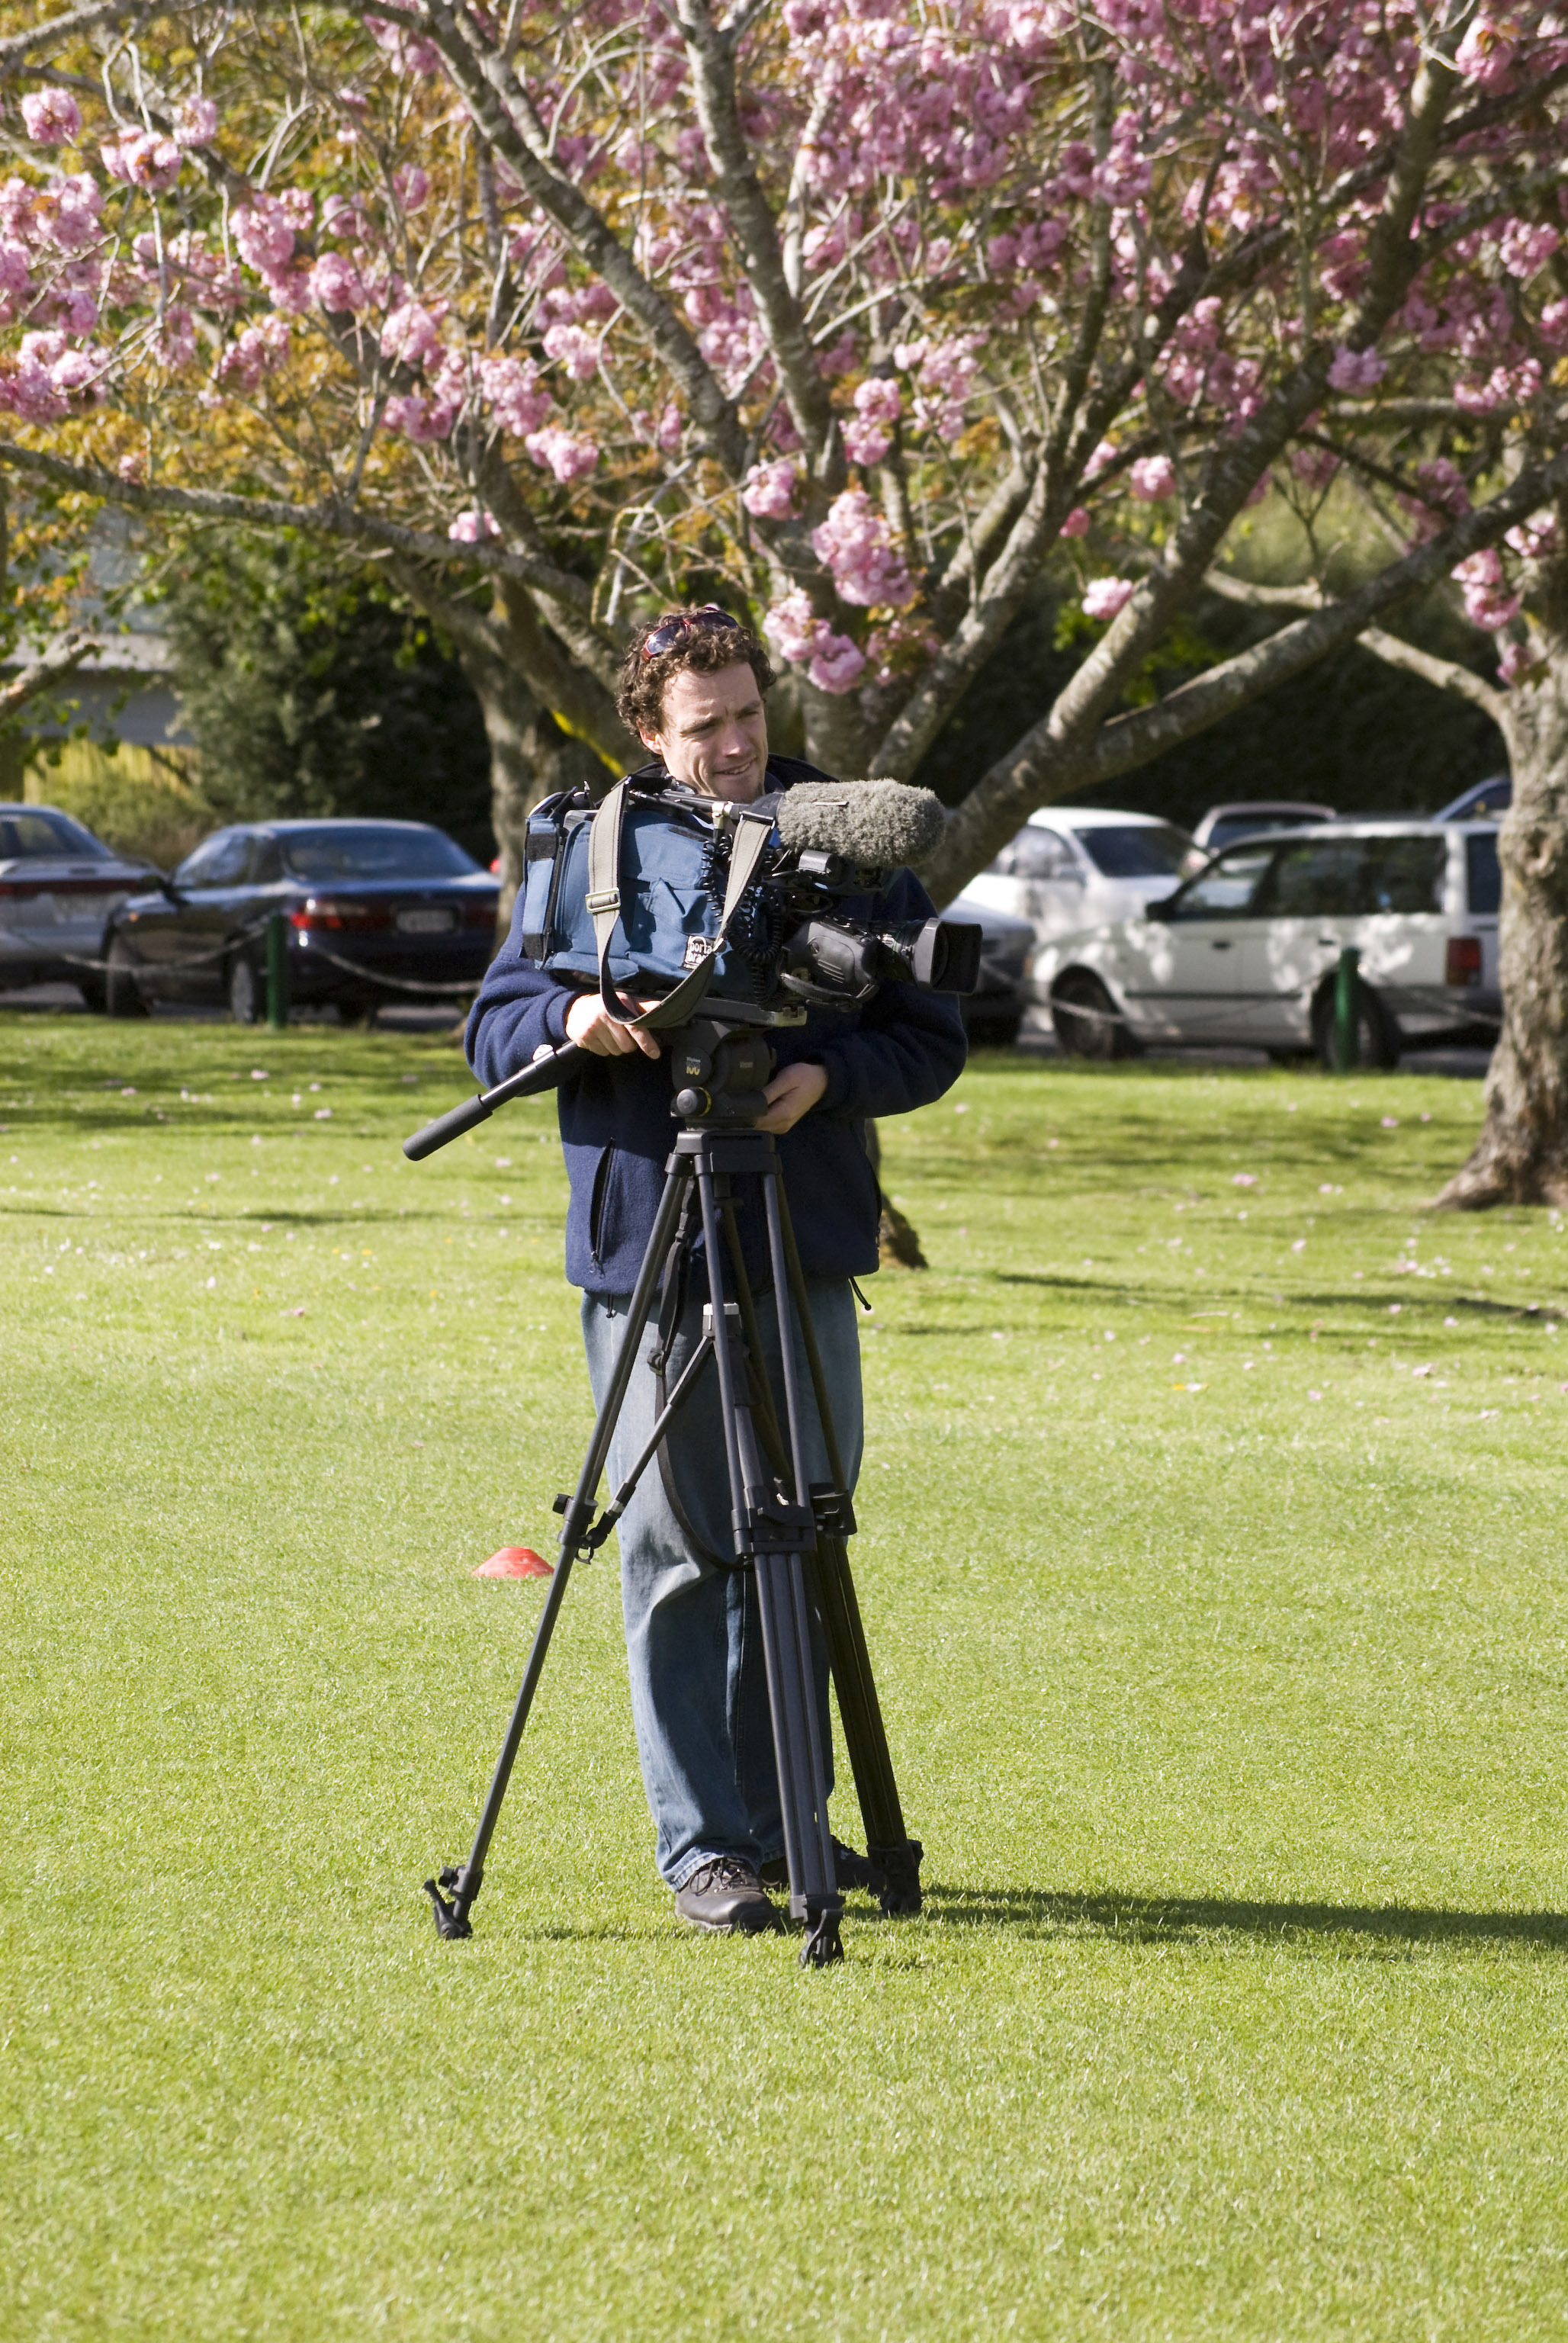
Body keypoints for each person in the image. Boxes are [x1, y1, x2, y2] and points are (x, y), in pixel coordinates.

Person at [465, 606, 966, 1934]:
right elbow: (493, 1024)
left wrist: (828, 1076)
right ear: (650, 728)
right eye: (708, 725)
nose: (739, 744)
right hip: (650, 1239)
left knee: (799, 1523)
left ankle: (791, 1818)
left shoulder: (843, 837)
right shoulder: (584, 846)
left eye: (752, 714)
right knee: (681, 1540)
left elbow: (932, 1033)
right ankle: (707, 1849)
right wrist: (575, 1014)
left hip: (798, 1230)